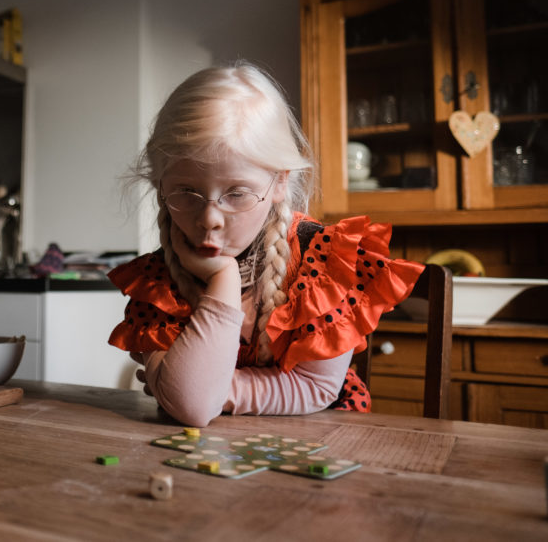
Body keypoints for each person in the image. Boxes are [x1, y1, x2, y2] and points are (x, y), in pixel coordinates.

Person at [107, 63, 424, 427]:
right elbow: (192, 408)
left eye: (237, 193)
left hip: (322, 441)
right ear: (161, 187)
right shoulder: (158, 280)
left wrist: (208, 389)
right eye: (187, 192)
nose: (209, 218)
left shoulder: (323, 263)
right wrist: (224, 279)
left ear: (279, 183)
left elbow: (315, 388)